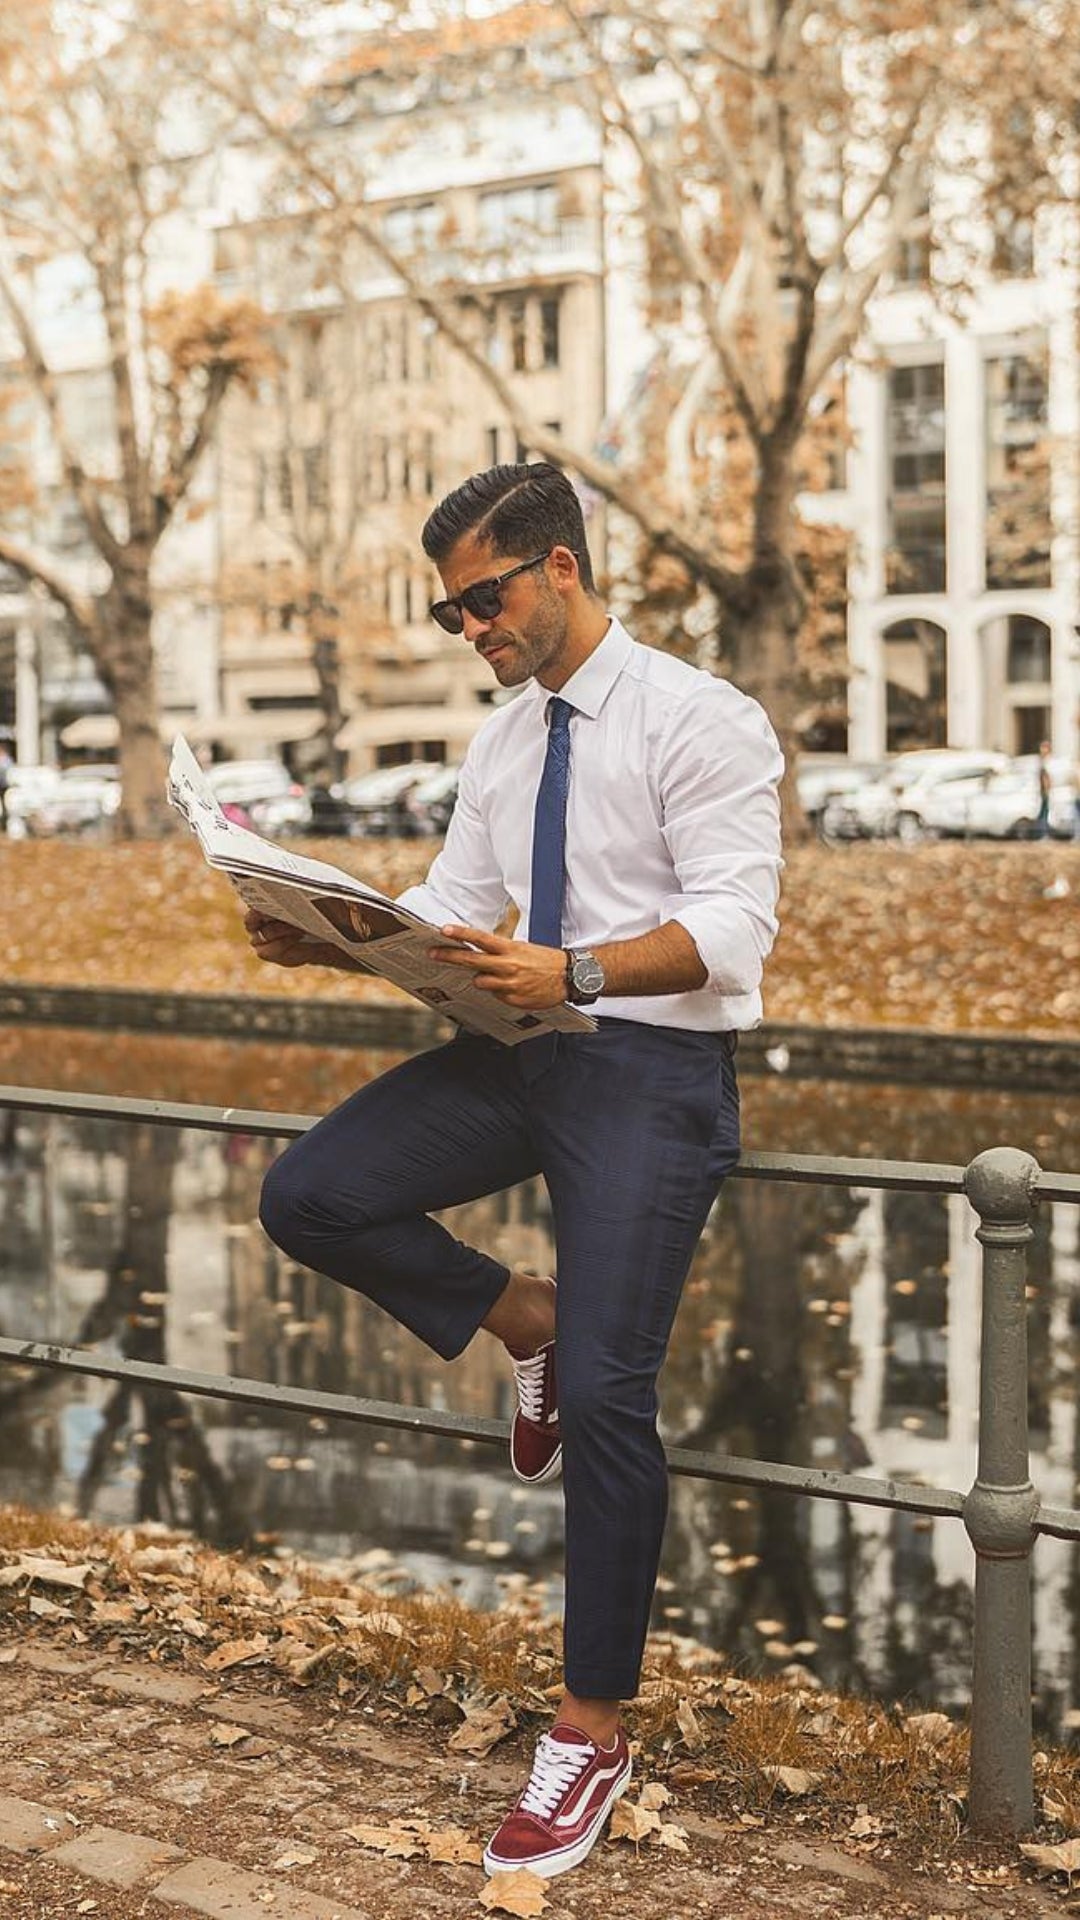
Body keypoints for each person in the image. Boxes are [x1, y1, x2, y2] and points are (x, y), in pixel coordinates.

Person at [246, 463, 783, 1881]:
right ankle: (516, 1319)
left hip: (651, 1071)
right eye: (449, 612)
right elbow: (451, 902)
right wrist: (334, 929)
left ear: (556, 567)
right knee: (307, 1192)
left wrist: (580, 967)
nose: (469, 627)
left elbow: (733, 930)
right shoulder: (504, 742)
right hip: (519, 1048)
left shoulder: (697, 717)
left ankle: (590, 1728)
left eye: (481, 598)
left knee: (610, 1397)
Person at [1033, 738, 1053, 840]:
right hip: (1041, 793)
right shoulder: (1041, 761)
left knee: (1044, 813)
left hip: (1044, 793)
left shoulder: (1047, 761)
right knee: (1042, 814)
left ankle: (1042, 834)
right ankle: (1041, 834)